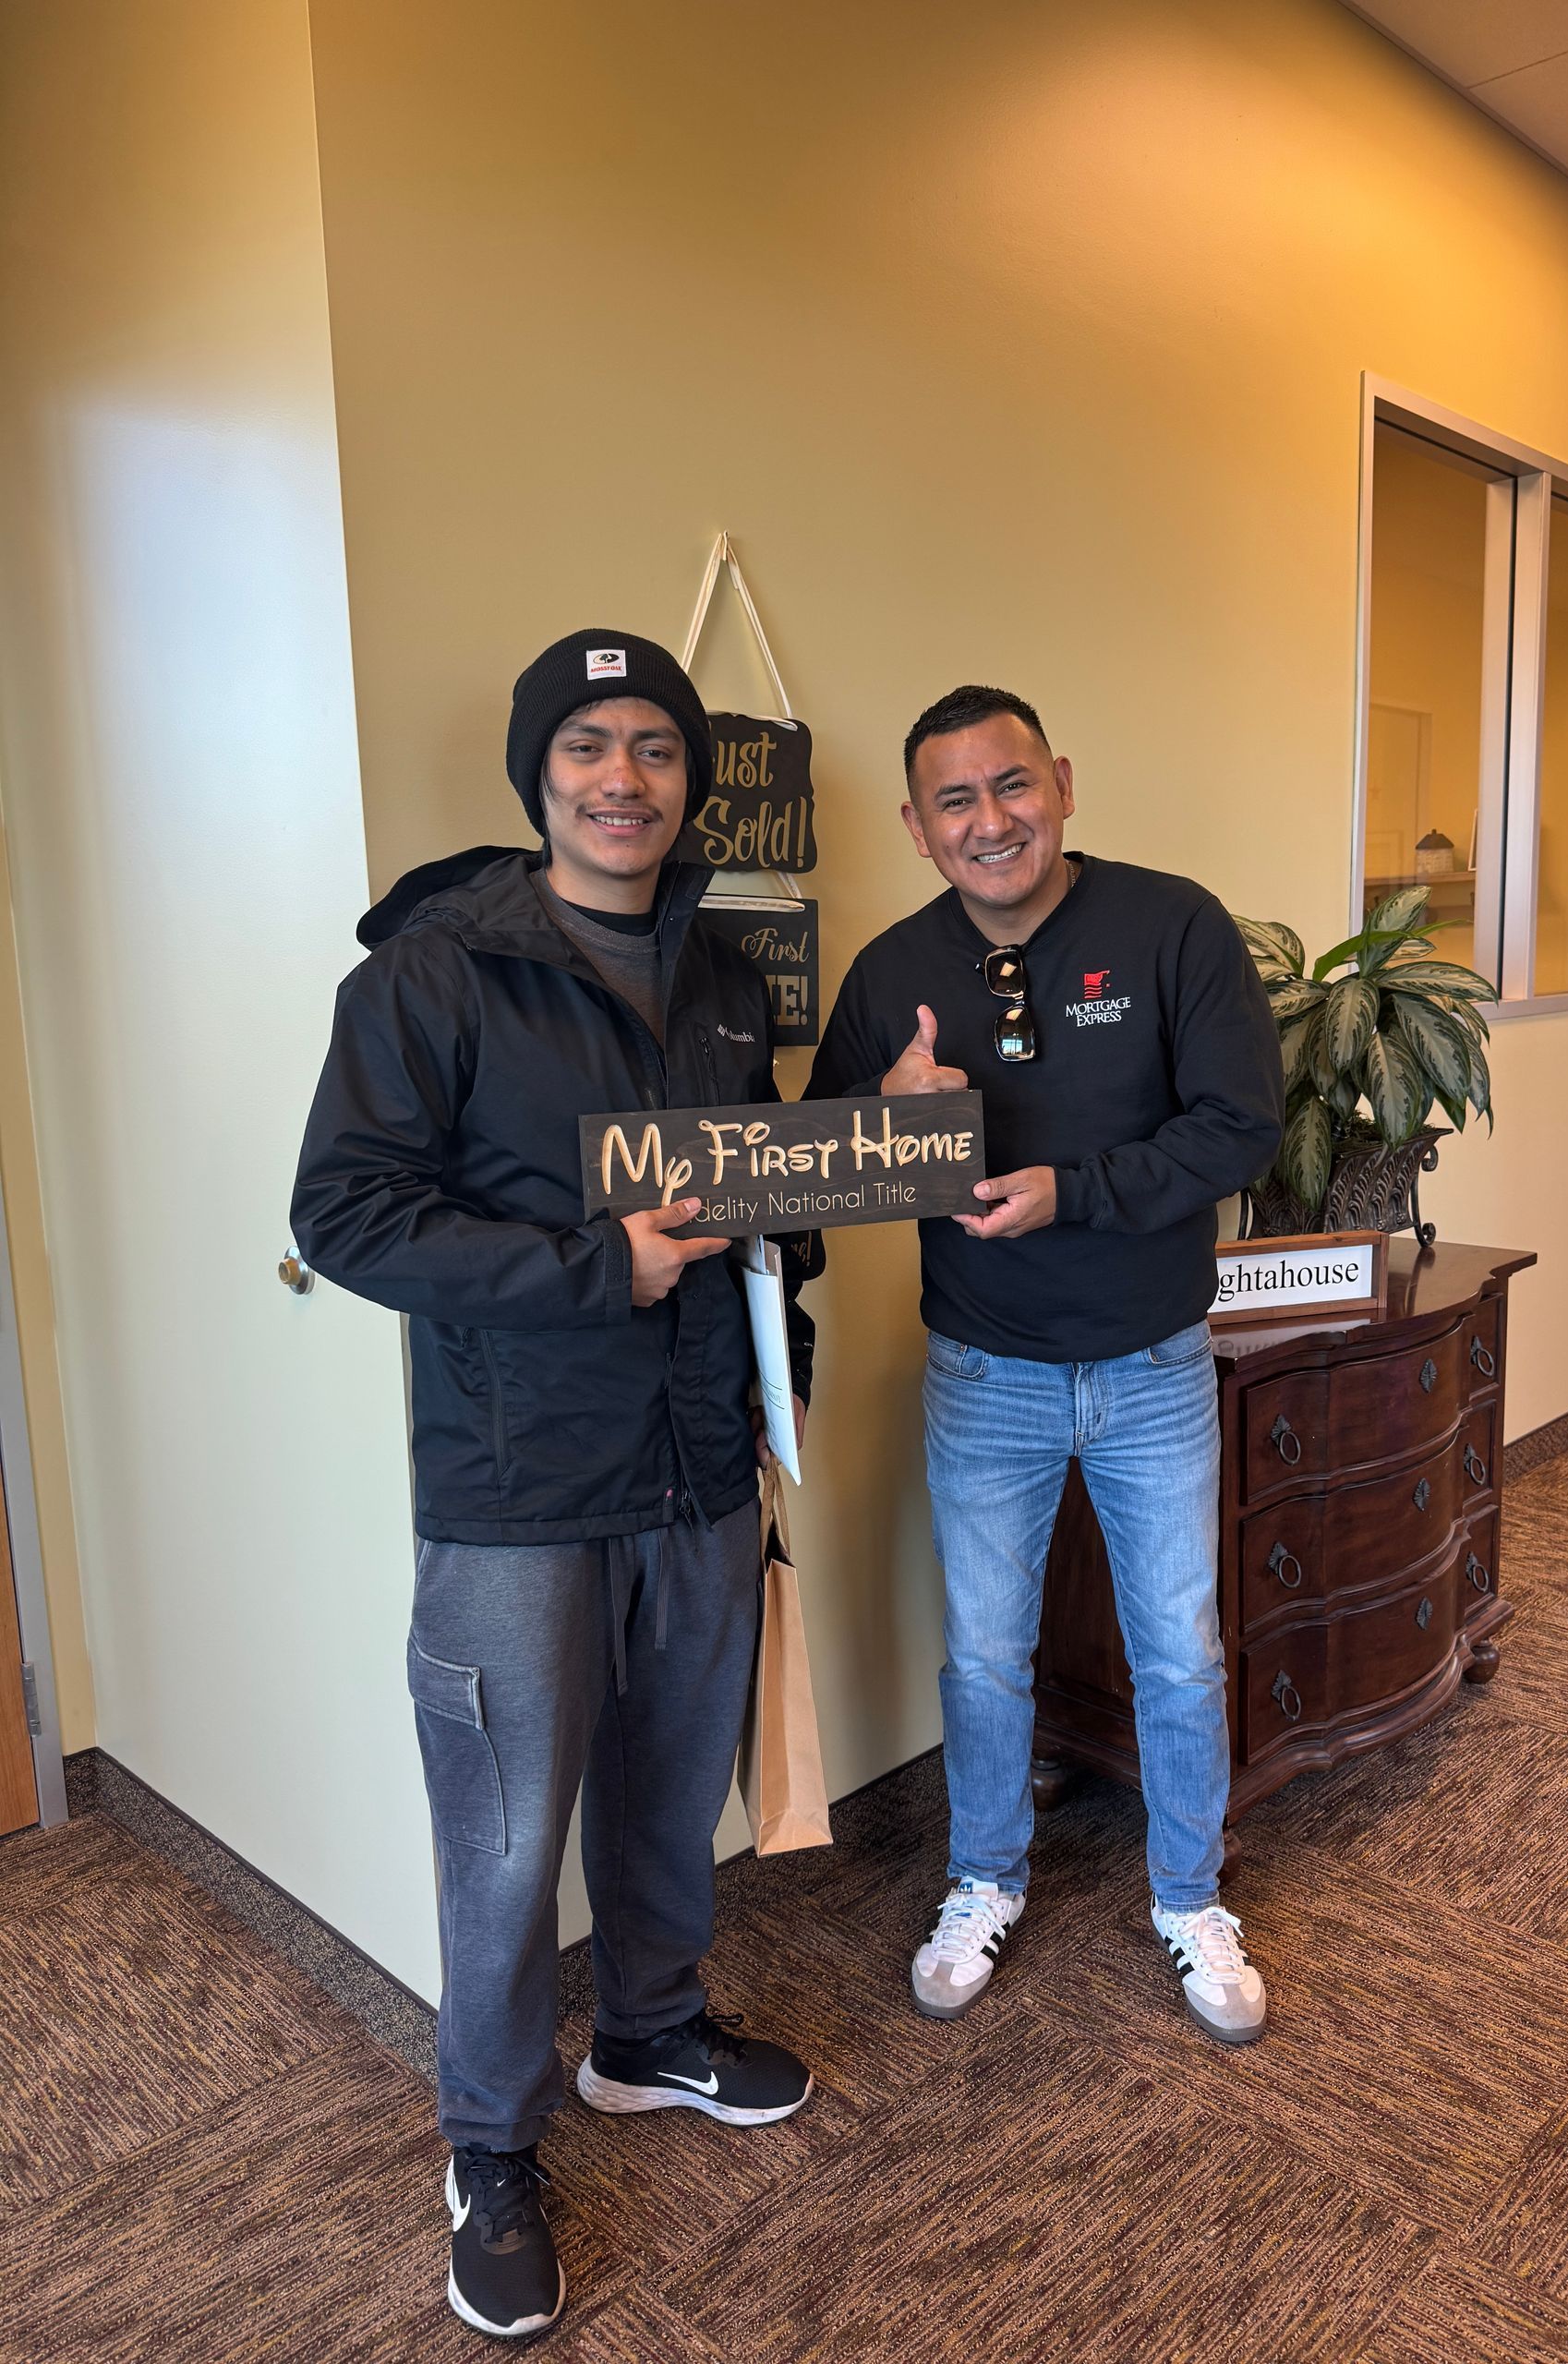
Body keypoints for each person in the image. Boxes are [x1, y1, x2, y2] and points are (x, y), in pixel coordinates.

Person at [292, 629, 815, 2343]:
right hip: (517, 1490)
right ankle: (492, 2146)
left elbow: (752, 1203)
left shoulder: (723, 974)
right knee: (508, 1847)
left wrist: (866, 1153)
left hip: (697, 1469)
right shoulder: (431, 975)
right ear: (539, 775)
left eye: (655, 747)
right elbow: (346, 1217)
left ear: (688, 782)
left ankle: (648, 2034)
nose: (622, 779)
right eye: (587, 745)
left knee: (668, 1794)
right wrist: (604, 1268)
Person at [807, 683, 1283, 2045]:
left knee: (1179, 1654)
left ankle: (1191, 1896)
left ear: (1062, 784)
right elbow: (812, 1161)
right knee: (984, 1657)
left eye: (1012, 785)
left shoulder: (1171, 925)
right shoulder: (890, 972)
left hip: (1153, 1364)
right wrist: (878, 1113)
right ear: (917, 828)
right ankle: (985, 1879)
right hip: (983, 1374)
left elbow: (1240, 1126)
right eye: (954, 800)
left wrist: (1073, 1193)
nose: (991, 820)